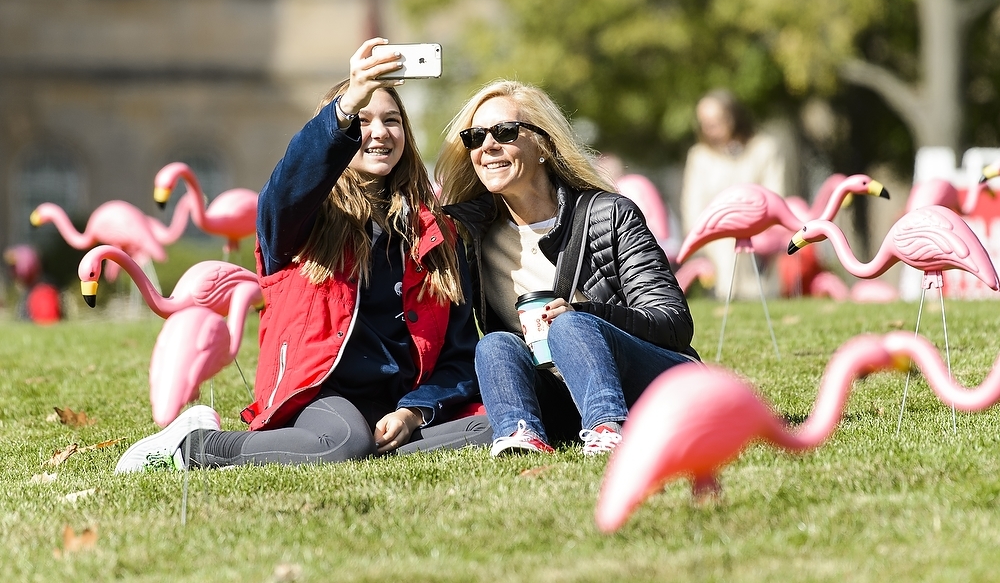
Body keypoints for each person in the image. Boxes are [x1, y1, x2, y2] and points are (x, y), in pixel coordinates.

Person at [116, 38, 491, 473]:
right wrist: (348, 101)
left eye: (392, 121)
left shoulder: (435, 235)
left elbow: (460, 357)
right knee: (344, 440)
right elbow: (288, 187)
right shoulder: (301, 224)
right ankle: (197, 445)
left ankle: (363, 448)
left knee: (490, 426)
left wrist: (414, 412)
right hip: (322, 398)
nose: (380, 132)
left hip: (399, 404)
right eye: (363, 120)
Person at [436, 80, 699, 457]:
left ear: (544, 144)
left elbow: (673, 322)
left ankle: (609, 428)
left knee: (570, 326)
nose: (487, 146)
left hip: (657, 384)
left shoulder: (610, 213)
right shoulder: (470, 235)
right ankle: (520, 434)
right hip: (564, 398)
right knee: (495, 344)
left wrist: (585, 314)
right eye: (475, 137)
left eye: (504, 132)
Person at [680, 89, 794, 300]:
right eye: (704, 122)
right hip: (716, 244)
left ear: (734, 116)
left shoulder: (764, 149)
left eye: (716, 120)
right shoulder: (699, 156)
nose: (710, 127)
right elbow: (692, 206)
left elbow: (775, 196)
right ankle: (725, 297)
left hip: (759, 240)